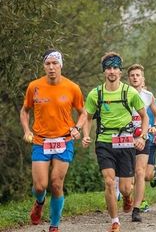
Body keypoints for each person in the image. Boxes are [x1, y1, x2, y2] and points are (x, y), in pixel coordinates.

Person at [82, 52, 150, 232]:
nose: (111, 71)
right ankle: (115, 221)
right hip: (104, 142)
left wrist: (142, 136)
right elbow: (87, 117)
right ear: (104, 72)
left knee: (126, 188)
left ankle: (128, 197)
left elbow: (144, 117)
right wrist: (86, 134)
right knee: (109, 181)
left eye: (115, 68)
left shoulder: (130, 92)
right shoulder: (95, 94)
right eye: (108, 68)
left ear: (120, 72)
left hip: (126, 142)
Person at [20, 50, 86, 232]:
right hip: (41, 141)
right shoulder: (34, 86)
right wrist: (26, 130)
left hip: (64, 141)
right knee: (40, 186)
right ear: (44, 66)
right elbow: (25, 110)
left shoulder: (72, 87)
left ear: (61, 65)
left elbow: (83, 113)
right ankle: (39, 202)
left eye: (55, 63)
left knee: (56, 183)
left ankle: (54, 225)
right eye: (48, 64)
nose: (51, 67)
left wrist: (77, 128)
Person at [126, 64, 156, 222]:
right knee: (126, 175)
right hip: (124, 139)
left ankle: (137, 209)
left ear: (142, 78)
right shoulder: (122, 94)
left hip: (143, 137)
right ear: (128, 79)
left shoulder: (148, 95)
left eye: (138, 75)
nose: (135, 77)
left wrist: (154, 126)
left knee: (140, 172)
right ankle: (127, 195)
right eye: (132, 75)